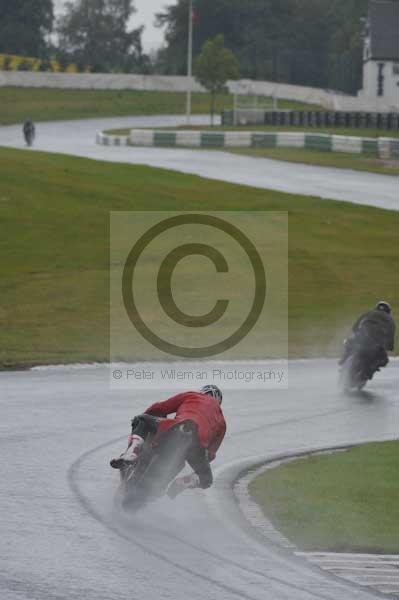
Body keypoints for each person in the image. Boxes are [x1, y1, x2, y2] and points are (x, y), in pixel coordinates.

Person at [110, 384, 226, 499]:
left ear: (202, 392)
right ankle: (186, 481)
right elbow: (210, 455)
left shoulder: (192, 395)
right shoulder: (221, 421)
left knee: (141, 420)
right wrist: (198, 463)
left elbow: (159, 407)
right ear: (219, 402)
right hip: (196, 447)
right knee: (206, 478)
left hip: (176, 428)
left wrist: (145, 420)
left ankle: (133, 451)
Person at [339, 301, 395, 377]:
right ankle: (366, 373)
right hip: (374, 343)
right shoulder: (390, 320)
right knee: (383, 360)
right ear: (388, 311)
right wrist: (389, 347)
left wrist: (357, 333)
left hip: (361, 337)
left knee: (349, 343)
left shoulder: (368, 313)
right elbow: (390, 335)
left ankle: (343, 361)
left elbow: (355, 327)